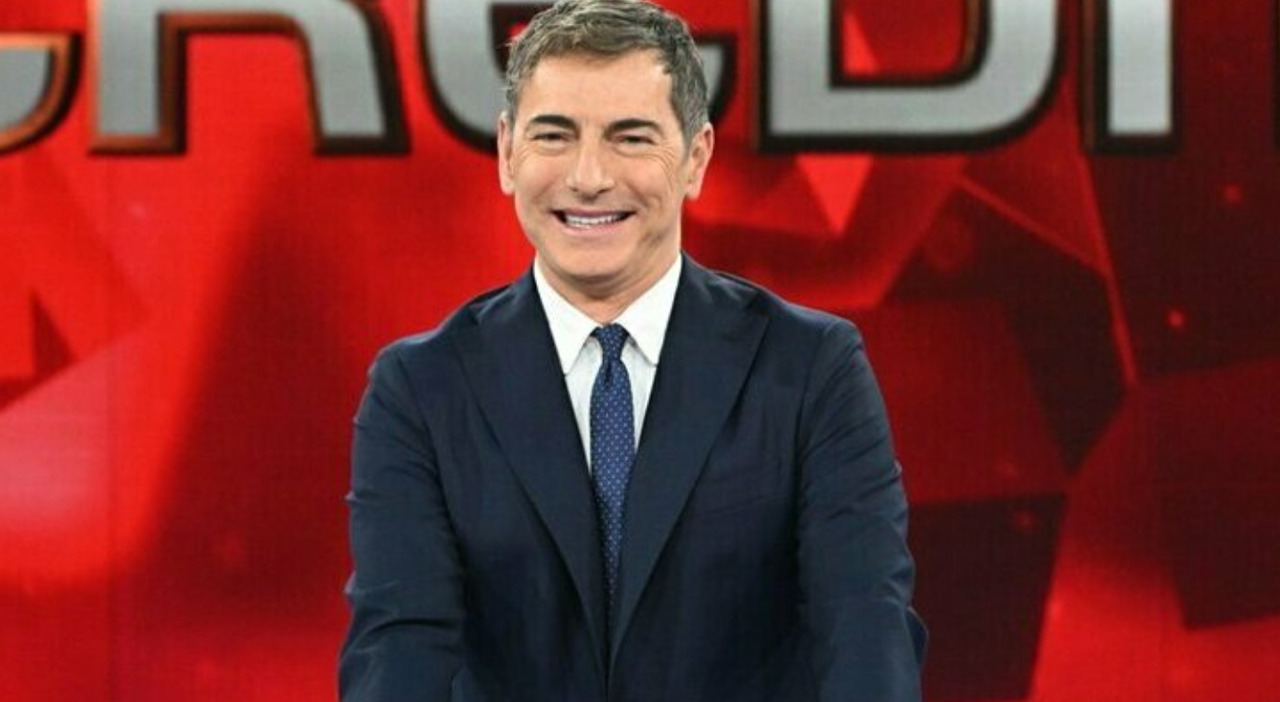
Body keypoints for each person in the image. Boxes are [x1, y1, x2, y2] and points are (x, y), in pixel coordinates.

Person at [338, 0, 926, 699]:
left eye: (631, 137)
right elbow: (399, 648)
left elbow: (865, 629)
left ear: (695, 158)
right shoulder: (421, 388)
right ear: (506, 153)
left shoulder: (810, 369)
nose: (588, 176)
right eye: (554, 136)